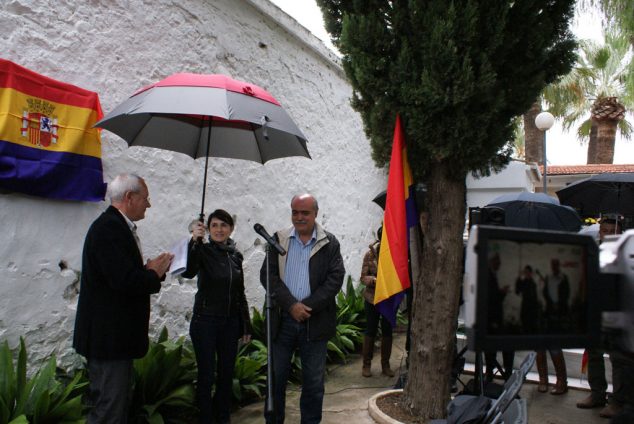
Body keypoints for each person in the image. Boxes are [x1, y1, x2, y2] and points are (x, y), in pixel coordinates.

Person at [73, 173, 174, 423]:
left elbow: (121, 275)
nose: (148, 205)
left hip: (114, 340)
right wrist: (151, 273)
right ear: (129, 197)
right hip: (109, 341)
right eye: (145, 199)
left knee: (114, 405)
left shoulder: (115, 226)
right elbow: (124, 281)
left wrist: (149, 272)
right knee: (109, 409)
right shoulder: (109, 228)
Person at [260, 193, 345, 424]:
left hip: (314, 322)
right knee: (275, 381)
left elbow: (335, 279)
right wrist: (291, 306)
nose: (299, 217)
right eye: (295, 212)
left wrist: (306, 306)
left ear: (315, 214)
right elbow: (268, 276)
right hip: (282, 322)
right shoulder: (278, 240)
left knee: (313, 383)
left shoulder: (330, 243)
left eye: (304, 212)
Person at [182, 209, 252, 424]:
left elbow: (240, 293)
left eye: (224, 225)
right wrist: (194, 241)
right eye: (214, 225)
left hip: (229, 323)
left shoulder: (235, 255)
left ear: (231, 228)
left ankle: (223, 418)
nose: (219, 229)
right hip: (205, 321)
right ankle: (205, 418)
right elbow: (188, 271)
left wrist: (246, 325)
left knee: (225, 374)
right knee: (206, 375)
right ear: (208, 229)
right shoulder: (202, 250)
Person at [577, 215, 626, 418]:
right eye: (605, 231)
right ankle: (597, 393)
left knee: (619, 359)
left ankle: (619, 402)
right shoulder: (592, 252)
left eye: (614, 231)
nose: (609, 235)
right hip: (595, 312)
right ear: (600, 233)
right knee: (594, 353)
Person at [359, 226, 394, 378]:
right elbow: (363, 277)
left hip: (388, 299)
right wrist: (374, 280)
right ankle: (366, 364)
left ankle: (385, 365)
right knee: (371, 329)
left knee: (387, 330)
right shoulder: (370, 254)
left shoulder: (393, 255)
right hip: (372, 298)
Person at [535, 258, 570, 395]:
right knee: (539, 347)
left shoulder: (563, 278)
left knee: (555, 348)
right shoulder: (545, 278)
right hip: (543, 316)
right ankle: (543, 379)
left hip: (556, 317)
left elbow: (566, 297)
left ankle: (561, 381)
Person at [484, 253, 514, 382]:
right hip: (491, 317)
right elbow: (490, 297)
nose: (499, 265)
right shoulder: (488, 275)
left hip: (503, 316)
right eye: (497, 262)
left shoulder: (500, 275)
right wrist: (501, 293)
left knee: (508, 346)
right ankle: (489, 373)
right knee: (491, 348)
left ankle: (507, 373)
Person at [515, 265, 540, 334]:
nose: (527, 274)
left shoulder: (533, 283)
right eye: (525, 272)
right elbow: (517, 291)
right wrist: (519, 278)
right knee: (525, 329)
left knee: (533, 329)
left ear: (531, 273)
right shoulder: (523, 282)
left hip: (533, 311)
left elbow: (535, 298)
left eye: (528, 272)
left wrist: (536, 311)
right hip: (525, 310)